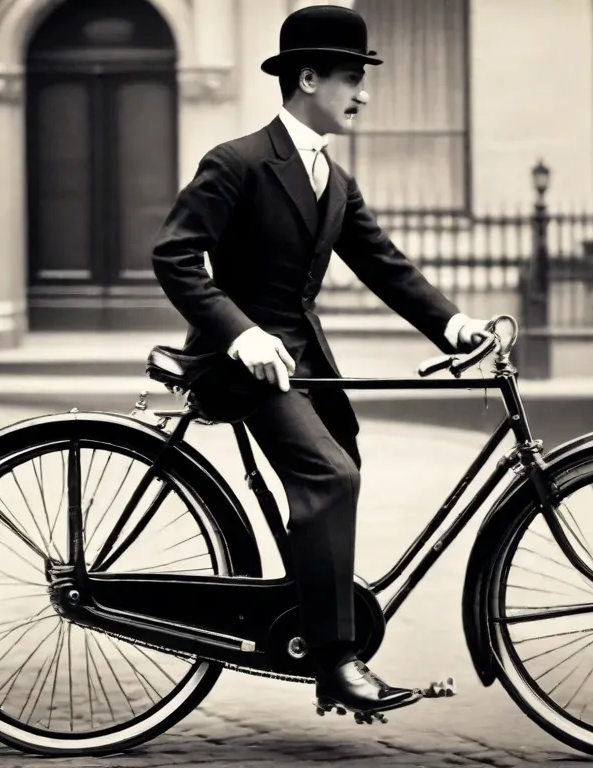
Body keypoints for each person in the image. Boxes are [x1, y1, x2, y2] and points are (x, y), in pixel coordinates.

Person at [150, 4, 491, 716]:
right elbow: (175, 256)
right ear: (308, 79)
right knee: (329, 478)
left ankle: (315, 621)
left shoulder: (332, 180)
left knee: (343, 465)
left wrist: (454, 325)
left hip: (300, 365)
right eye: (350, 79)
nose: (363, 94)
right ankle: (336, 661)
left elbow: (385, 265)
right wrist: (240, 333)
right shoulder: (238, 161)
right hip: (239, 363)